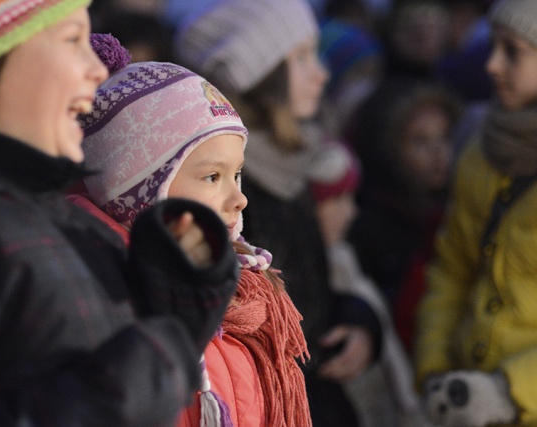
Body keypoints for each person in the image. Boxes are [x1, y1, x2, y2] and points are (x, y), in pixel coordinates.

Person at [0, 2, 239, 426]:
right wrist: (145, 369)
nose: (97, 69)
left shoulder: (53, 217)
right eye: (72, 39)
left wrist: (181, 294)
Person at [173, 0, 382, 425]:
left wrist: (359, 319)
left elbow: (308, 295)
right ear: (260, 76)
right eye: (301, 57)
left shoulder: (290, 163)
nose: (321, 73)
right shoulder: (233, 189)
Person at [71, 58, 311, 427]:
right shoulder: (110, 306)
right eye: (212, 176)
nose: (240, 198)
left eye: (237, 173)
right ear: (141, 192)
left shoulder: (243, 291)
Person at [414, 0, 537, 425]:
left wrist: (508, 392)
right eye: (493, 46)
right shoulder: (480, 151)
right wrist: (435, 371)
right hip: (464, 398)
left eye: (513, 51)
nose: (492, 64)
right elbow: (452, 271)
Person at [309, 141, 427, 427]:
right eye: (337, 200)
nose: (350, 212)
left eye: (351, 198)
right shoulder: (317, 271)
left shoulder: (344, 260)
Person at [348, 83, 462, 351]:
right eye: (420, 141)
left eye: (446, 137)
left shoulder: (462, 213)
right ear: (391, 149)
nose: (439, 154)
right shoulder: (369, 232)